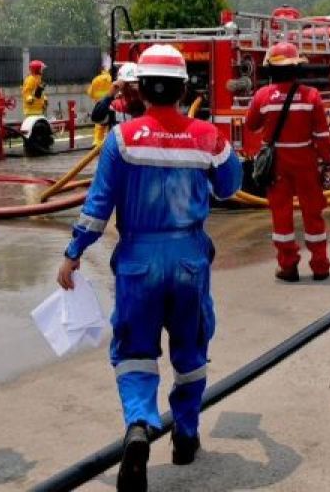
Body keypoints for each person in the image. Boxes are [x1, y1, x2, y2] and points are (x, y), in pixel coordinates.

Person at [57, 45, 242, 490]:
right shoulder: (208, 137)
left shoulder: (121, 140)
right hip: (189, 260)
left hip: (138, 261)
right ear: (183, 88)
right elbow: (231, 185)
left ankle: (140, 424)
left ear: (140, 89)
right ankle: (186, 433)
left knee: (135, 351)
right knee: (191, 351)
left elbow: (98, 206)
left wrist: (73, 252)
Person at [246, 41, 330, 282]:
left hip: (277, 165)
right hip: (306, 162)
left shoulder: (262, 96)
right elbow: (321, 136)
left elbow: (251, 125)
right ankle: (320, 266)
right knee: (313, 214)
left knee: (281, 215)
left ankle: (288, 267)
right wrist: (327, 163)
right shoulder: (311, 96)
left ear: (271, 70)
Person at [91, 63, 145, 131]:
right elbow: (96, 118)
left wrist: (144, 94)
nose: (131, 88)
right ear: (121, 86)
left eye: (134, 83)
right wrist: (110, 95)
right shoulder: (116, 106)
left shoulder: (147, 104)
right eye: (127, 84)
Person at [87, 65, 114, 146]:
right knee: (111, 124)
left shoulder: (95, 80)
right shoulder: (111, 78)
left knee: (99, 124)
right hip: (111, 104)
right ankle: (110, 142)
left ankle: (97, 142)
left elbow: (90, 93)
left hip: (100, 104)